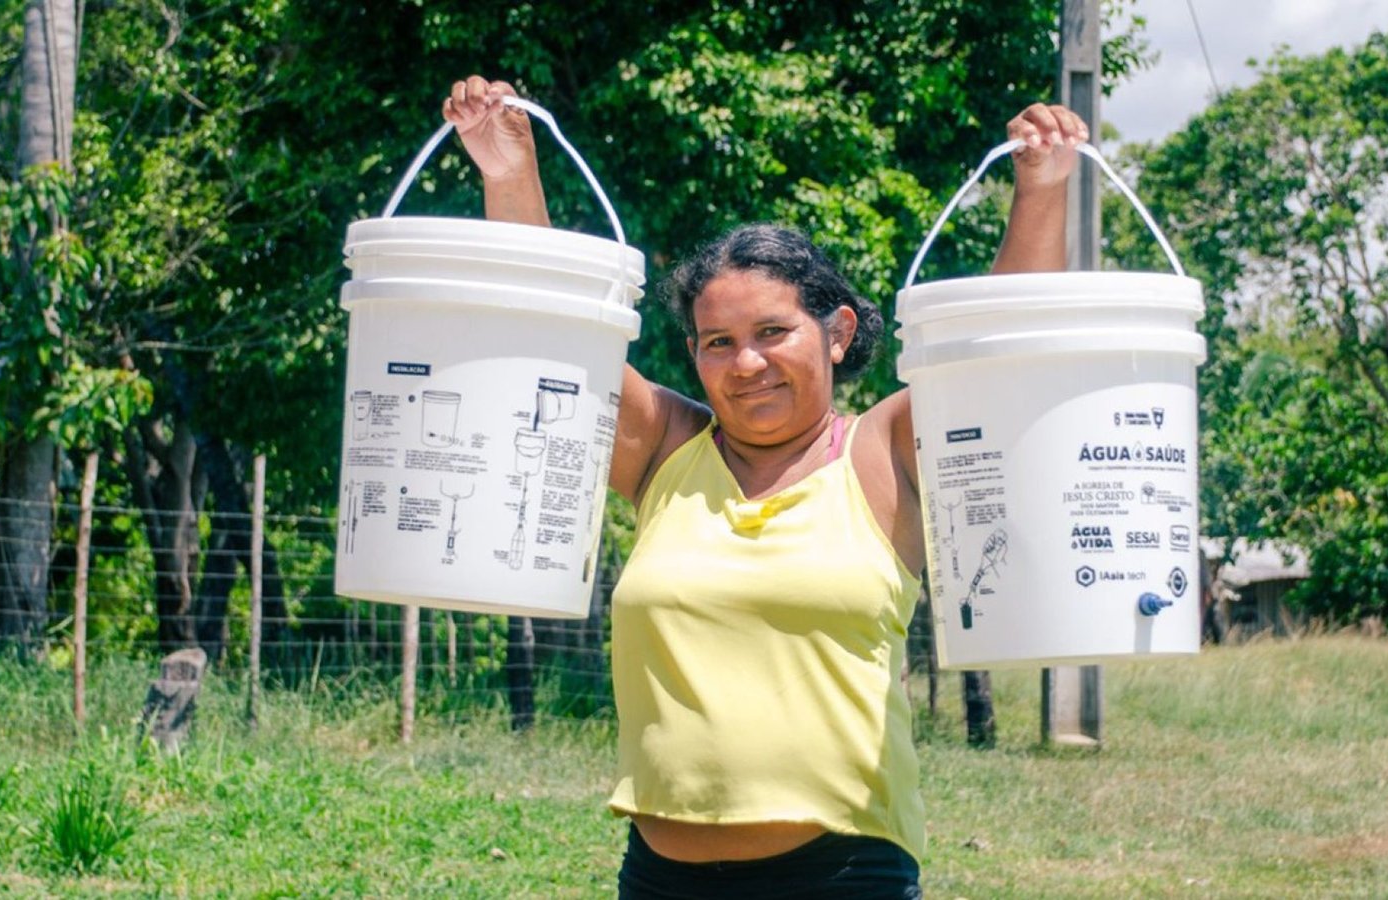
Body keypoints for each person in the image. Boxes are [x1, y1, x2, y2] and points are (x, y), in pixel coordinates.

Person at [443, 74, 1087, 899]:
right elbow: (550, 342)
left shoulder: (884, 454)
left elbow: (996, 361)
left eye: (773, 332)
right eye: (718, 342)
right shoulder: (665, 452)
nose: (746, 363)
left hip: (845, 875)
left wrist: (1040, 192)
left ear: (839, 331)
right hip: (660, 880)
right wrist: (509, 173)